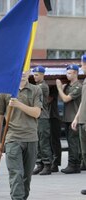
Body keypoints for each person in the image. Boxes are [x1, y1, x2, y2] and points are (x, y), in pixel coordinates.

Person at [0, 70, 42, 200]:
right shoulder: (4, 91)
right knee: (16, 174)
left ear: (29, 72)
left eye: (25, 70)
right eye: (20, 69)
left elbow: (37, 113)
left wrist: (18, 104)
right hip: (12, 139)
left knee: (26, 177)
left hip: (31, 138)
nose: (22, 73)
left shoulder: (36, 90)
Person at [56, 64, 82, 174]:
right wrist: (61, 89)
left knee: (73, 142)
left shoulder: (78, 86)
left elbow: (66, 99)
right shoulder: (68, 86)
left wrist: (58, 87)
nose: (67, 75)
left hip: (74, 118)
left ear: (76, 73)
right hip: (67, 118)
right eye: (66, 73)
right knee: (70, 141)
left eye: (69, 73)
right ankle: (74, 164)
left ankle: (74, 165)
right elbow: (60, 98)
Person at [32, 66, 52, 175]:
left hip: (43, 117)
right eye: (34, 75)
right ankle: (39, 164)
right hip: (37, 117)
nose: (34, 77)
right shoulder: (36, 86)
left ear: (42, 75)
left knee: (43, 142)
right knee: (38, 142)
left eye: (37, 75)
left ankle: (47, 164)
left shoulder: (42, 86)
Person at [72, 55, 86, 195]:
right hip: (82, 121)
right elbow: (83, 101)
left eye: (82, 63)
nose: (81, 66)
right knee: (85, 154)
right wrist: (76, 117)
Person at [48, 85, 62, 172]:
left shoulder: (52, 86)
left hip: (53, 116)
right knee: (48, 141)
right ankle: (50, 162)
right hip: (47, 117)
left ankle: (55, 163)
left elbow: (49, 99)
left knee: (54, 141)